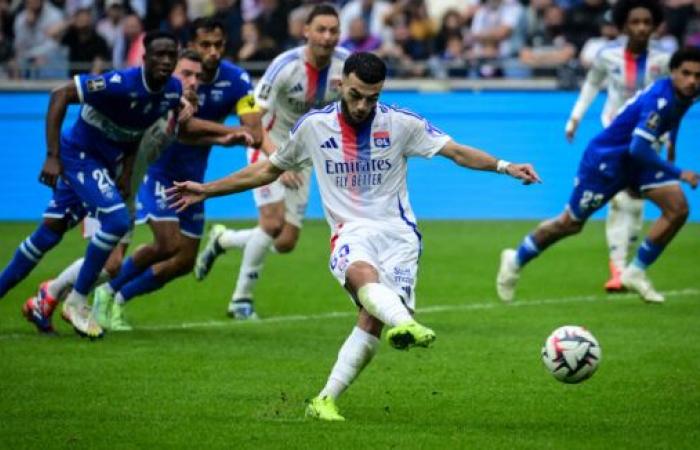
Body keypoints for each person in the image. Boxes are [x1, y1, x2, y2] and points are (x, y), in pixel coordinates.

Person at [168, 52, 540, 420]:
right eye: (356, 95)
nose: (363, 105)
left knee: (370, 318)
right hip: (351, 229)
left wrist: (506, 167)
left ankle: (324, 400)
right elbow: (267, 170)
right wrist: (207, 189)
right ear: (341, 84)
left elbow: (456, 152)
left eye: (372, 97)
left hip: (399, 234)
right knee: (362, 277)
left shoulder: (401, 124)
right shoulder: (314, 126)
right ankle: (405, 323)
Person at [21, 48, 253, 334]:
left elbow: (188, 130)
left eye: (197, 77)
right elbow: (185, 125)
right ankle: (77, 296)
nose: (193, 82)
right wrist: (225, 134)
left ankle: (53, 293)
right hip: (104, 181)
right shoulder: (153, 99)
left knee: (121, 263)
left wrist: (226, 138)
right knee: (121, 256)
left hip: (125, 187)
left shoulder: (173, 108)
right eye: (186, 75)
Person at [0, 31, 183, 339]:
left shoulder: (171, 92)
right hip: (78, 155)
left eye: (170, 56)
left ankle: (40, 302)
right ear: (144, 58)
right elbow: (60, 95)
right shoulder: (120, 83)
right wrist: (52, 156)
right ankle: (77, 300)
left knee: (48, 234)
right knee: (116, 221)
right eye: (158, 55)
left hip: (106, 163)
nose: (165, 61)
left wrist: (126, 172)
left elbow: (136, 129)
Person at [88, 17, 263, 330]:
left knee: (182, 261)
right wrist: (225, 133)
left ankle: (119, 295)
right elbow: (182, 127)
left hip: (195, 178)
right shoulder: (170, 80)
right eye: (204, 45)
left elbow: (254, 131)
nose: (212, 52)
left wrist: (230, 133)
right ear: (190, 47)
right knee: (165, 244)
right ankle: (99, 291)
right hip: (158, 172)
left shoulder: (236, 80)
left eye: (218, 45)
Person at [498, 47, 700, 304]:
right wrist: (679, 172)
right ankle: (515, 260)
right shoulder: (659, 100)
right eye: (686, 74)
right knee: (570, 224)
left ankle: (635, 272)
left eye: (697, 75)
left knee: (678, 209)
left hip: (638, 161)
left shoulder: (686, 93)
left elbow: (673, 120)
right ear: (673, 72)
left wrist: (672, 144)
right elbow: (638, 147)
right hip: (608, 161)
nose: (692, 80)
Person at [194, 3, 349, 320]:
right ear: (305, 31)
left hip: (304, 156)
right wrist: (277, 159)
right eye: (321, 29)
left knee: (286, 241)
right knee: (272, 222)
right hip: (267, 143)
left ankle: (224, 239)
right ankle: (241, 301)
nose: (327, 36)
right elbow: (254, 118)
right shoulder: (284, 66)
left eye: (333, 30)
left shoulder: (346, 66)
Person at [565, 0, 671, 292]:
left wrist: (670, 138)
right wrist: (574, 118)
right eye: (634, 22)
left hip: (650, 136)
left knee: (636, 200)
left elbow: (671, 102)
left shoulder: (664, 61)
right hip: (614, 134)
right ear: (623, 25)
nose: (640, 28)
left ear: (654, 26)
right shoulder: (607, 55)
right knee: (618, 197)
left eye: (646, 23)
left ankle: (625, 266)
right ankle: (619, 268)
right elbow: (591, 84)